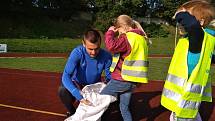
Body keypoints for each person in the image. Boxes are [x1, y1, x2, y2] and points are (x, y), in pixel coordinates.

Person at [160, 0, 215, 120]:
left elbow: (192, 25)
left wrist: (180, 12)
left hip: (185, 98)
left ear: (200, 22)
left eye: (185, 17)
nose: (180, 22)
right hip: (184, 97)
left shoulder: (199, 39)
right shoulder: (193, 40)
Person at [100, 15, 149, 121]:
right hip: (133, 81)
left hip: (121, 79)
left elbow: (111, 46)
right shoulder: (141, 39)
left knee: (100, 99)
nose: (119, 33)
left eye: (119, 30)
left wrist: (110, 32)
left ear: (124, 26)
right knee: (124, 108)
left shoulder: (127, 37)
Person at [58, 29, 112, 117]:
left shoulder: (106, 56)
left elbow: (109, 77)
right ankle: (72, 111)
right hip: (78, 84)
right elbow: (66, 75)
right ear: (83, 43)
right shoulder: (77, 53)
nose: (93, 52)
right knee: (62, 90)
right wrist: (77, 94)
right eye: (90, 49)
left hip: (94, 87)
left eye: (97, 48)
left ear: (100, 43)